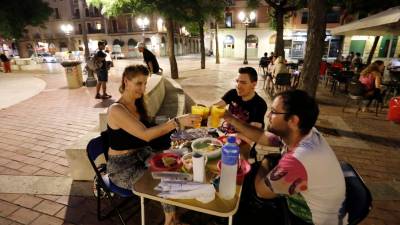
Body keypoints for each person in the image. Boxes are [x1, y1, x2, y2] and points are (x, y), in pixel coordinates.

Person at [225, 89, 345, 225]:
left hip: (306, 219)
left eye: (274, 112)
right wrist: (230, 119)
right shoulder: (304, 132)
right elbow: (263, 137)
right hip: (315, 198)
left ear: (293, 120)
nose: (269, 115)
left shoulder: (300, 158)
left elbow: (262, 191)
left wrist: (266, 161)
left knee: (244, 196)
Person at [107, 65, 201, 225]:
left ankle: (173, 217)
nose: (143, 88)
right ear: (126, 81)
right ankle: (171, 221)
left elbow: (150, 127)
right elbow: (145, 134)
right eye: (138, 83)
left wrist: (177, 129)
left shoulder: (137, 103)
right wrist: (177, 122)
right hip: (123, 168)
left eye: (145, 83)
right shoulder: (116, 110)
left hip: (143, 154)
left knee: (181, 157)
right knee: (166, 181)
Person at [214, 67, 267, 158]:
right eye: (237, 81)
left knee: (237, 159)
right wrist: (204, 111)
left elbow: (251, 137)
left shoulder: (259, 104)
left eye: (243, 82)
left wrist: (231, 135)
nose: (238, 86)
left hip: (243, 141)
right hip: (225, 133)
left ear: (253, 84)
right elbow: (216, 107)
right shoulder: (233, 93)